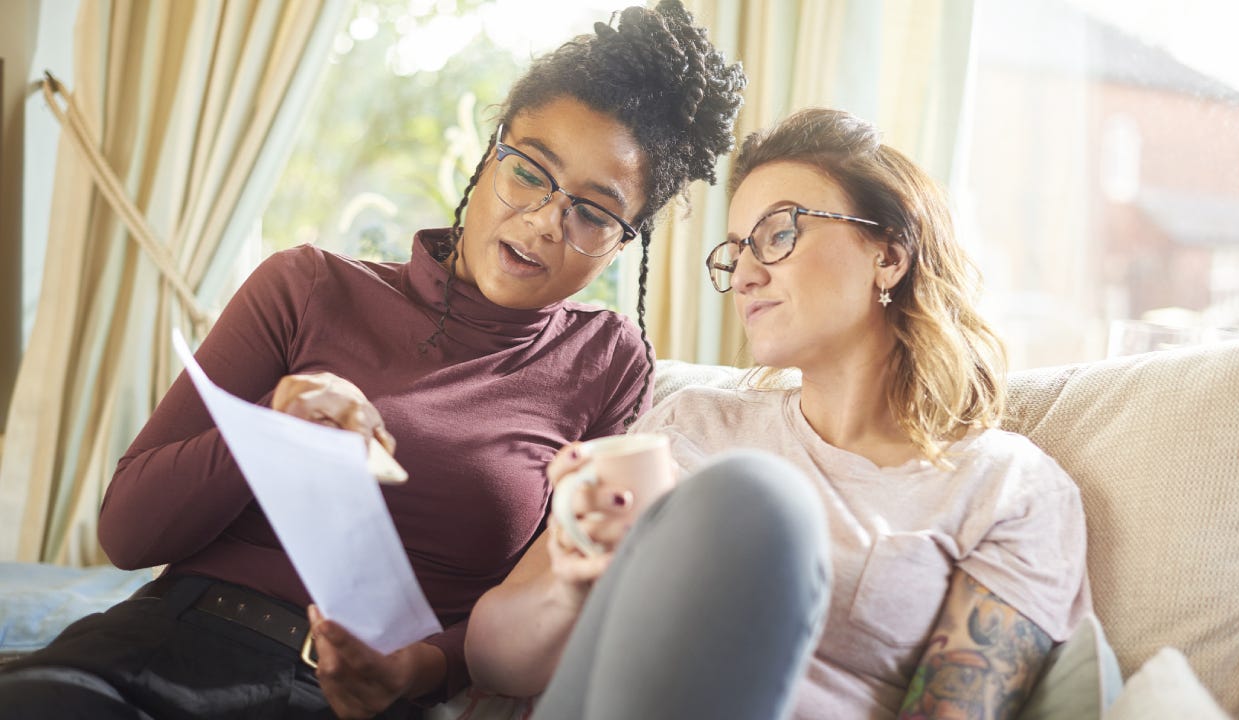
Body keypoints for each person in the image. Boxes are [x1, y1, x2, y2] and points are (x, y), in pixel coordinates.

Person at [0, 3, 746, 718]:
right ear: (489, 157)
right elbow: (128, 535)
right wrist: (272, 431)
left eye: (593, 212)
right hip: (163, 647)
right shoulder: (305, 285)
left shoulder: (607, 363)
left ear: (624, 242)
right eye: (529, 171)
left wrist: (412, 672)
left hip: (358, 700)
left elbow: (544, 598)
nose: (547, 221)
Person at [465, 107, 1092, 720]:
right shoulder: (690, 426)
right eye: (736, 251)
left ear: (890, 254)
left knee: (754, 496)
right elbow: (493, 663)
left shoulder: (1012, 489)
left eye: (777, 235)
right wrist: (574, 586)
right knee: (747, 492)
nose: (744, 274)